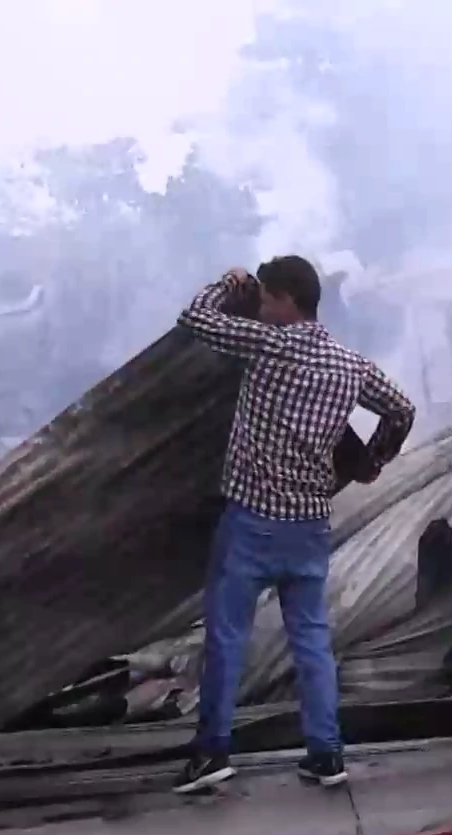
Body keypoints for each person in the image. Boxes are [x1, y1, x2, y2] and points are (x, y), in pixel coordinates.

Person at [172, 256, 415, 794]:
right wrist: (372, 461)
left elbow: (195, 318)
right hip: (308, 528)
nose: (259, 306)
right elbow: (402, 409)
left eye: (264, 297)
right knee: (311, 641)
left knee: (227, 639)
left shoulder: (269, 345)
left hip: (250, 523)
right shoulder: (350, 365)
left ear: (286, 300)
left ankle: (211, 754)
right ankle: (326, 754)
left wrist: (227, 283)